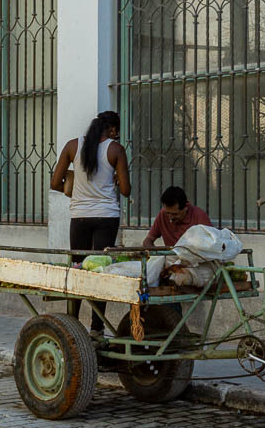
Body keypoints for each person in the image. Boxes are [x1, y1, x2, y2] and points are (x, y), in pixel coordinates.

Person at [51, 110, 131, 336]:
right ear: (113, 129)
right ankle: (96, 328)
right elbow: (126, 191)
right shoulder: (116, 150)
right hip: (107, 217)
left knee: (77, 268)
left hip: (80, 217)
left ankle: (72, 324)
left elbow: (56, 183)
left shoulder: (72, 146)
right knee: (100, 268)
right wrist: (117, 176)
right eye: (117, 131)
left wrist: (73, 188)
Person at [142, 186, 212, 248]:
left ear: (186, 207)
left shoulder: (199, 216)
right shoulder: (162, 214)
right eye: (168, 213)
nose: (170, 217)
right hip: (171, 260)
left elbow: (215, 245)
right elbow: (148, 241)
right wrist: (157, 255)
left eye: (175, 214)